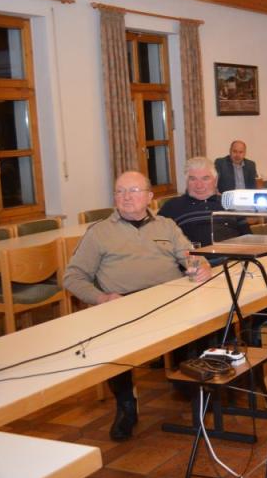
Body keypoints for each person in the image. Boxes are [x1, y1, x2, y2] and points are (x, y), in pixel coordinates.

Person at [64, 171, 211, 441]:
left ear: (149, 197)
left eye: (133, 191)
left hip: (169, 300)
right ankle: (126, 406)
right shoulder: (99, 232)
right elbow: (72, 277)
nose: (126, 197)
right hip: (124, 305)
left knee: (210, 319)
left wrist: (202, 266)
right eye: (120, 191)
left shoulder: (166, 226)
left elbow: (190, 256)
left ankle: (196, 388)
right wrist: (102, 298)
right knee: (111, 337)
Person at [159, 157, 247, 248]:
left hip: (232, 255)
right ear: (186, 181)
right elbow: (157, 242)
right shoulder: (172, 206)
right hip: (191, 256)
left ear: (215, 181)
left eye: (205, 179)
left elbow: (247, 239)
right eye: (193, 179)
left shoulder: (231, 204)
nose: (199, 185)